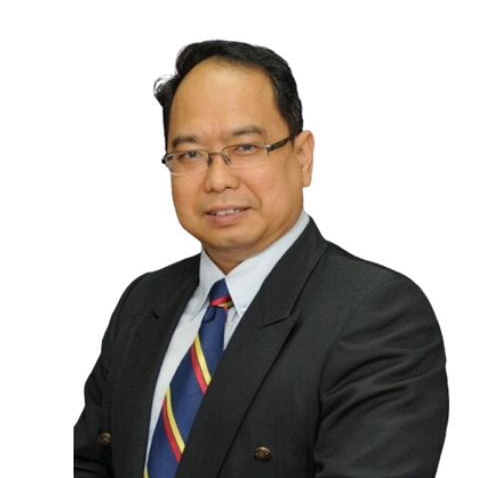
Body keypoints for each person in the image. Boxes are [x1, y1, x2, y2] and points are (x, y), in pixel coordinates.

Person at [73, 39, 448, 478]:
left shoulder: (379, 313)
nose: (217, 179)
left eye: (246, 147)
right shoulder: (144, 299)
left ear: (304, 156)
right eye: (190, 154)